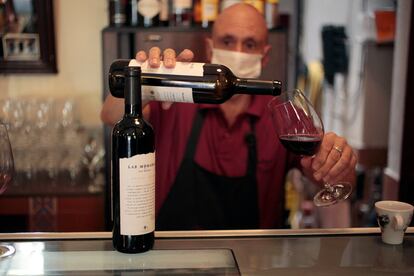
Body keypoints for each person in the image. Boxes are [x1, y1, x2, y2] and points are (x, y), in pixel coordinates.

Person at [101, 3, 357, 230]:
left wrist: (339, 162)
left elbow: (326, 176)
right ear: (210, 48)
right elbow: (110, 114)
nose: (237, 52)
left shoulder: (283, 115)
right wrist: (140, 81)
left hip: (254, 262)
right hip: (173, 256)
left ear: (264, 55)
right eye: (227, 41)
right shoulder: (176, 97)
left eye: (249, 44)